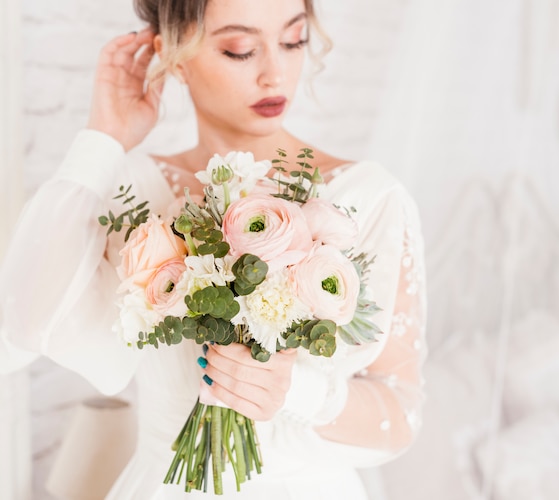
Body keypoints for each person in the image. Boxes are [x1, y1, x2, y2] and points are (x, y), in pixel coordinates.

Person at [0, 0, 426, 498]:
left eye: (293, 41)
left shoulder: (366, 198)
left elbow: (401, 413)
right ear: (174, 56)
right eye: (240, 50)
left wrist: (298, 390)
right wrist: (104, 138)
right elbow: (24, 324)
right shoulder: (134, 189)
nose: (275, 74)